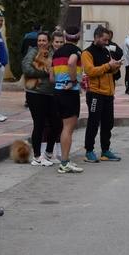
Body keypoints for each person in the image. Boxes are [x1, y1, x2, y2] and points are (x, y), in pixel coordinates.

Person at [81, 26, 123, 163]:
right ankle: (89, 151)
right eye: (104, 39)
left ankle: (105, 150)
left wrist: (115, 67)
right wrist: (108, 66)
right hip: (95, 93)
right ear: (96, 37)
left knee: (108, 123)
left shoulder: (106, 51)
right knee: (93, 123)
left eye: (108, 40)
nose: (106, 42)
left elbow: (110, 71)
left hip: (108, 93)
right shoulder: (87, 53)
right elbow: (90, 71)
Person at [23, 31, 61, 166]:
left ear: (48, 42)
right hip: (35, 93)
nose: (41, 43)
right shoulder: (32, 52)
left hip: (50, 94)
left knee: (57, 124)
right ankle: (37, 156)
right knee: (38, 124)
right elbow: (26, 69)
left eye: (44, 40)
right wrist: (44, 72)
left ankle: (49, 153)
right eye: (39, 40)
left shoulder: (52, 53)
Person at [51, 29, 85, 174]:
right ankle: (64, 162)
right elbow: (72, 62)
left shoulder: (57, 52)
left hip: (58, 91)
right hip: (69, 92)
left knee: (64, 126)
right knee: (68, 128)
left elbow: (51, 77)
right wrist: (72, 80)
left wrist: (60, 81)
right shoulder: (76, 50)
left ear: (65, 36)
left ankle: (65, 160)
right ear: (79, 36)